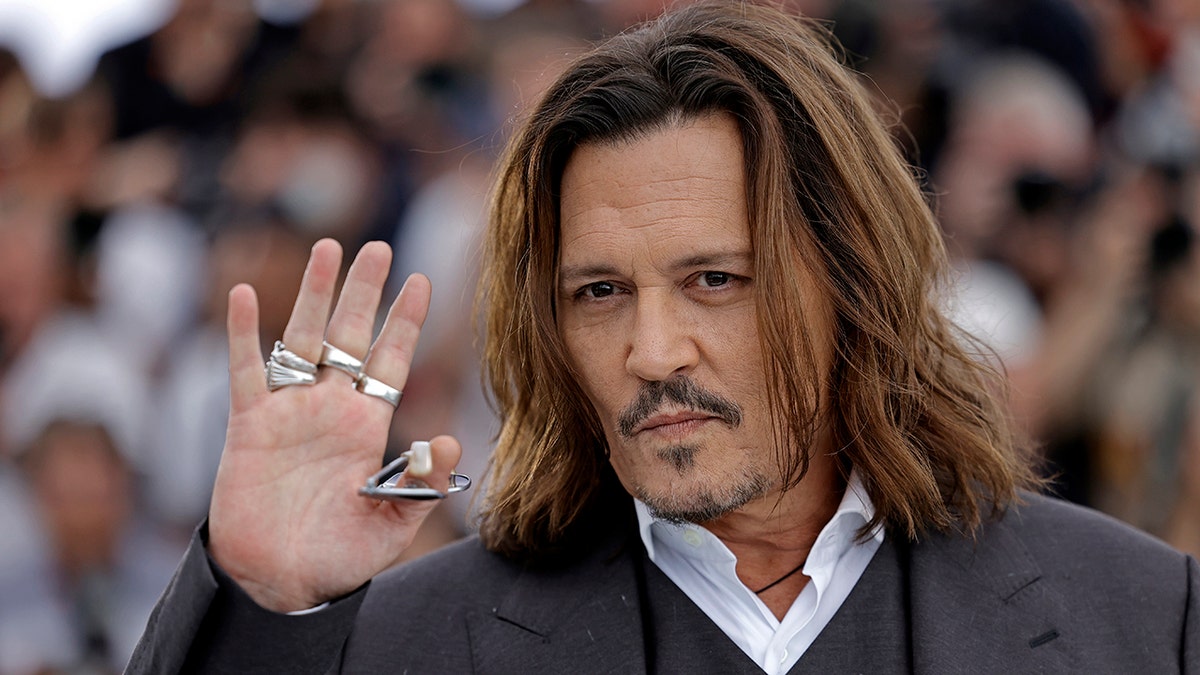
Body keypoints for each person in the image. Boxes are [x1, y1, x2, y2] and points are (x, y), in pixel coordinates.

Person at [130, 3, 1198, 673]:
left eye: (715, 281)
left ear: (851, 279)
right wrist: (262, 600)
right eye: (598, 292)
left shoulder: (1142, 620)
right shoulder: (411, 642)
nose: (653, 350)